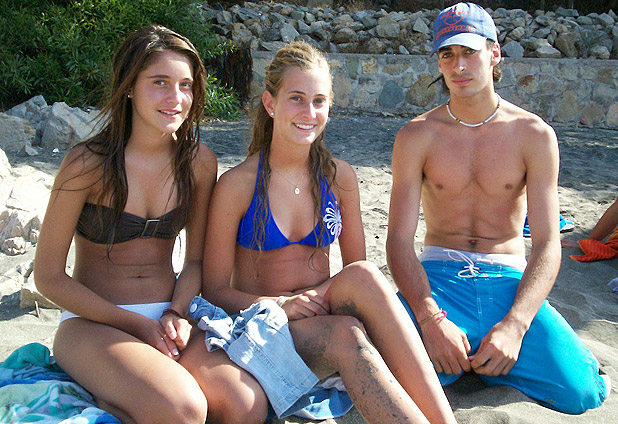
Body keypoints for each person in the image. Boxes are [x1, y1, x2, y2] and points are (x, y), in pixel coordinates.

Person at [180, 40, 457, 424]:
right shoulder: (238, 185)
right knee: (347, 334)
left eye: (319, 101)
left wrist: (317, 297)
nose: (309, 112)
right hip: (263, 324)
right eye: (296, 98)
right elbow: (214, 291)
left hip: (321, 310)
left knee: (365, 276)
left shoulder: (339, 177)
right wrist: (280, 304)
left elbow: (358, 276)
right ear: (270, 103)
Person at [386, 2, 608, 415]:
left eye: (469, 52)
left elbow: (547, 243)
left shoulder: (533, 134)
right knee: (373, 374)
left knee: (582, 393)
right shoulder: (416, 136)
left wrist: (516, 324)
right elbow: (398, 240)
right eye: (447, 54)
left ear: (494, 53)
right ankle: (479, 360)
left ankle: (487, 358)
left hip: (508, 281)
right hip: (439, 281)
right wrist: (431, 320)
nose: (458, 66)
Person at [33, 25, 262, 424]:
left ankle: (128, 401)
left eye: (186, 86)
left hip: (168, 316)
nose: (176, 98)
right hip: (93, 323)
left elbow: (194, 262)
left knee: (246, 405)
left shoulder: (198, 163)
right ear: (129, 87)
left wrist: (176, 312)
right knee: (185, 409)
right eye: (160, 83)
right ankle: (115, 398)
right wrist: (135, 324)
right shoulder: (87, 164)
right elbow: (48, 277)